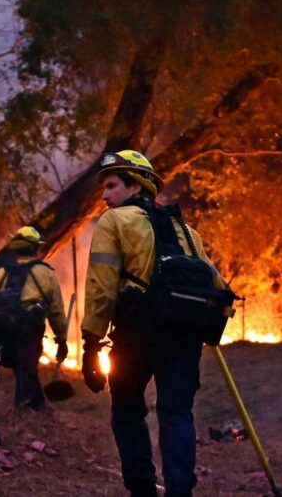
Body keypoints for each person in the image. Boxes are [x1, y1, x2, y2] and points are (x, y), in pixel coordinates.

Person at [81, 150, 228, 497]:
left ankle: (142, 490)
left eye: (112, 186)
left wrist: (91, 342)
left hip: (136, 334)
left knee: (128, 410)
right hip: (184, 334)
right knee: (177, 414)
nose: (104, 196)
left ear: (136, 185)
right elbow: (216, 284)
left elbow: (101, 285)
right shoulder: (186, 229)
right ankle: (180, 492)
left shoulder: (115, 221)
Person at [0, 226, 68, 411]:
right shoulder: (45, 273)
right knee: (27, 367)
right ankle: (26, 409)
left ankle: (36, 406)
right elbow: (56, 311)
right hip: (28, 328)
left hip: (3, 328)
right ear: (36, 248)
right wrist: (61, 339)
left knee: (24, 368)